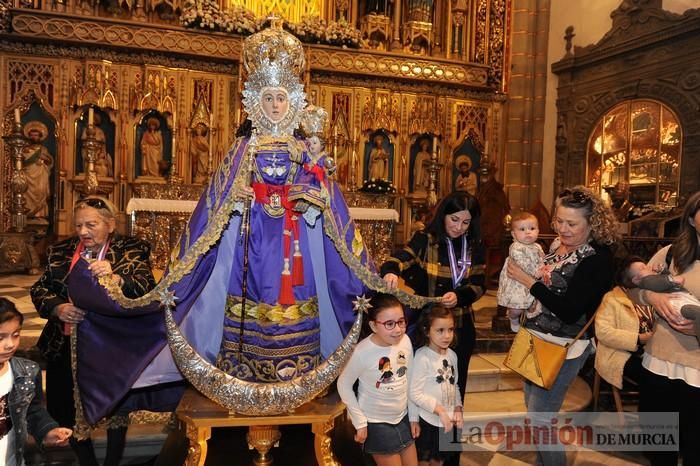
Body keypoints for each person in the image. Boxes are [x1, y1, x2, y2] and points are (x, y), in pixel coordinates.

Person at [30, 196, 157, 466]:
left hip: (110, 345)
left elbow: (147, 285)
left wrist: (118, 277)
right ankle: (85, 460)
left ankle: (111, 461)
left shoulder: (132, 249)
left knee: (113, 407)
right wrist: (57, 308)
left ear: (110, 225)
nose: (83, 232)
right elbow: (40, 289)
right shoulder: (60, 251)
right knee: (66, 406)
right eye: (78, 226)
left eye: (91, 225)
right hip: (63, 344)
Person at [506, 186, 618, 466]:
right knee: (533, 414)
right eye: (559, 221)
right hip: (533, 336)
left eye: (572, 224)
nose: (563, 229)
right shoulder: (557, 246)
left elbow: (570, 311)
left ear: (592, 223)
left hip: (563, 346)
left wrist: (526, 281)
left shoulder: (596, 259)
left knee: (541, 420)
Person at [382, 191, 486, 398]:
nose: (459, 227)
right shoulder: (425, 239)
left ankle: (451, 428)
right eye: (454, 219)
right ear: (443, 215)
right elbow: (401, 258)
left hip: (460, 325)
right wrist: (391, 271)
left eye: (466, 222)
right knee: (423, 385)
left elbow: (479, 284)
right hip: (427, 326)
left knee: (454, 386)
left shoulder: (475, 245)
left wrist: (460, 297)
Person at [631, 190, 700, 466]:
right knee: (660, 450)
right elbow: (633, 289)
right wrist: (653, 297)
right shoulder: (671, 253)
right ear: (692, 219)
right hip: (658, 363)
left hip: (697, 372)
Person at [337, 293, 419, 466]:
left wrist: (413, 416)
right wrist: (360, 422)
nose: (398, 329)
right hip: (376, 423)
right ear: (374, 326)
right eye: (389, 324)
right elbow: (343, 384)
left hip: (402, 418)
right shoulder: (362, 352)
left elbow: (410, 379)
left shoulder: (405, 341)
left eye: (401, 321)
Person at [0, 297, 72, 466]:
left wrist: (47, 430)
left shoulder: (26, 372)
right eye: (0, 337)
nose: (10, 344)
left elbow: (32, 411)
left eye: (15, 335)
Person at [409, 304, 462, 466]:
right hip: (429, 420)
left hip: (447, 420)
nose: (447, 336)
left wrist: (458, 407)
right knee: (424, 462)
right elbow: (414, 393)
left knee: (438, 462)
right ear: (426, 331)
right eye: (440, 330)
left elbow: (455, 385)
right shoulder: (422, 357)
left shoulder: (452, 355)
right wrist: (438, 409)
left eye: (450, 330)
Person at [594, 255, 656, 390]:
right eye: (644, 268)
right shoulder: (612, 299)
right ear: (636, 280)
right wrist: (639, 339)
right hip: (619, 354)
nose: (650, 269)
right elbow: (603, 332)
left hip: (650, 351)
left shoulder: (652, 296)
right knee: (654, 377)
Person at [497, 212, 544, 332]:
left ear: (538, 231)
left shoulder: (537, 246)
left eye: (532, 228)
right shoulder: (516, 247)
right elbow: (522, 262)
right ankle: (512, 317)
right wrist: (535, 271)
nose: (528, 232)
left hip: (533, 279)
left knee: (533, 304)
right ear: (514, 234)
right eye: (522, 229)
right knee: (517, 306)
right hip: (517, 283)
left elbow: (543, 259)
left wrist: (544, 266)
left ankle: (529, 320)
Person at [22, 123, 54, 220]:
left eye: (36, 135)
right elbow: (21, 163)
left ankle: (39, 215)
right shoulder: (25, 150)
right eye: (32, 135)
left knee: (41, 192)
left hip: (41, 176)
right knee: (26, 193)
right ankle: (27, 214)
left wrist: (44, 158)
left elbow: (50, 162)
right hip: (28, 175)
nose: (34, 137)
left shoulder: (43, 149)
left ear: (40, 137)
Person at [80, 113, 113, 178]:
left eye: (94, 120)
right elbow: (83, 141)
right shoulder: (86, 130)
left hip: (98, 153)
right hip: (88, 152)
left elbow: (103, 145)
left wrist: (102, 153)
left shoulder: (100, 131)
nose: (93, 121)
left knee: (102, 165)